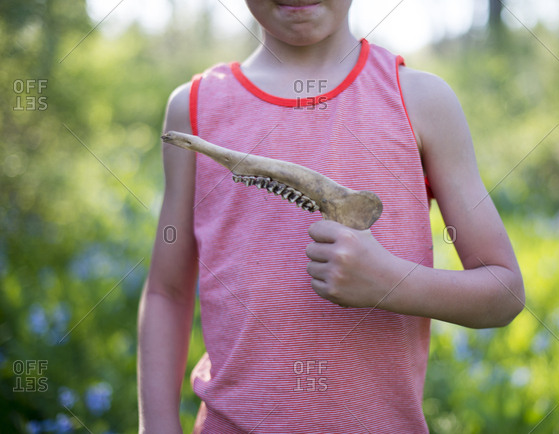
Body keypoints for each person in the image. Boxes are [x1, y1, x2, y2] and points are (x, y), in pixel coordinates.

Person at [137, 1, 525, 432]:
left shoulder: (421, 102)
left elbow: (503, 291)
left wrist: (388, 282)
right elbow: (166, 292)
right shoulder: (193, 108)